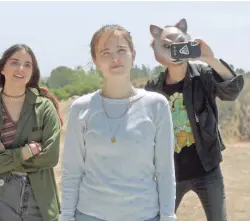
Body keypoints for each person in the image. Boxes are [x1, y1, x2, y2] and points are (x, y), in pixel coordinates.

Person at [60, 24, 176, 221]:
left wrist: (168, 217)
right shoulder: (81, 108)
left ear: (133, 54)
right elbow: (72, 172)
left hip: (144, 215)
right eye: (105, 52)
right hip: (90, 215)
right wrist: (66, 217)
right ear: (95, 61)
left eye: (121, 50)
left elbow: (165, 170)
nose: (115, 58)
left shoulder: (157, 105)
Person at [145, 18, 244, 221]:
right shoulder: (153, 88)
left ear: (187, 43)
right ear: (158, 52)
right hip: (170, 173)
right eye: (167, 46)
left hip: (207, 169)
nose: (174, 49)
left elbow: (232, 91)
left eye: (179, 43)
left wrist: (210, 58)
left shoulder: (204, 75)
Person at [0, 44, 63, 221]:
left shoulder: (45, 108)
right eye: (14, 62)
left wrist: (4, 155)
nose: (21, 69)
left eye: (28, 64)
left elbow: (50, 157)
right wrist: (24, 152)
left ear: (32, 72)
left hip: (39, 199)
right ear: (2, 68)